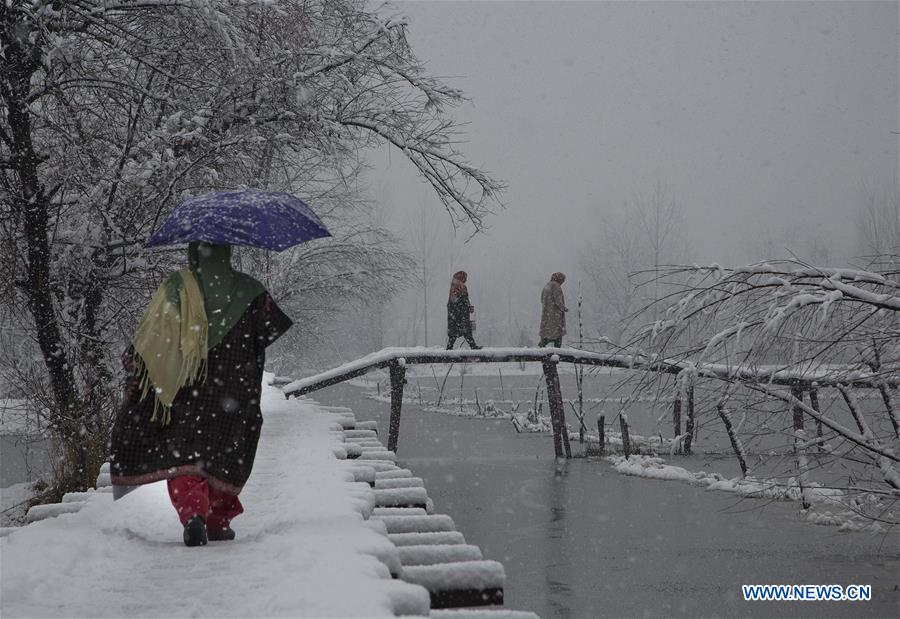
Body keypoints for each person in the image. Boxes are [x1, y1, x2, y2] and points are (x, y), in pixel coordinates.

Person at [110, 242, 292, 547]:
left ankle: (193, 513)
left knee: (186, 456)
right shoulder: (251, 290)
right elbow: (268, 332)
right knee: (225, 451)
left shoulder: (176, 288)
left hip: (186, 389)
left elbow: (149, 340)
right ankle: (218, 521)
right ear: (227, 252)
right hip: (233, 390)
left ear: (193, 253)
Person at [446, 270, 482, 349]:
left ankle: (450, 347)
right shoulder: (459, 286)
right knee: (466, 330)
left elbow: (455, 300)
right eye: (465, 278)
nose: (466, 280)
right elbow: (459, 299)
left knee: (455, 331)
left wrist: (467, 306)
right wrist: (465, 307)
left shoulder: (455, 285)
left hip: (456, 313)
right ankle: (473, 346)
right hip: (460, 313)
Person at [539, 272, 567, 347]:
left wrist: (548, 306)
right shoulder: (556, 286)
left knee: (547, 333)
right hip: (555, 315)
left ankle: (542, 345)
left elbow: (542, 299)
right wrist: (563, 308)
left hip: (547, 315)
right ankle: (557, 353)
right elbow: (558, 300)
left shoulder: (547, 286)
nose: (562, 283)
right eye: (562, 280)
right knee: (557, 335)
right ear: (559, 279)